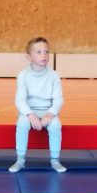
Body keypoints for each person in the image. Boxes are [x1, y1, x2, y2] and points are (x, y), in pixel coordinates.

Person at [9, 37, 67, 173]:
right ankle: (20, 160)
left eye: (46, 52)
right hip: (29, 112)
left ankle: (55, 160)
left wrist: (50, 114)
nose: (44, 55)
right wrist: (30, 115)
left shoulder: (54, 76)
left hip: (48, 111)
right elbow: (20, 99)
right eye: (39, 52)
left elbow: (58, 99)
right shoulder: (23, 75)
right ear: (29, 57)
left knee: (55, 125)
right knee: (22, 124)